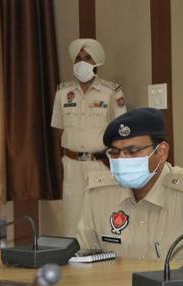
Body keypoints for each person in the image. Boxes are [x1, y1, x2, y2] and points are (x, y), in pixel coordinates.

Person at [76, 107, 183, 261]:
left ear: (161, 151)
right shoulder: (98, 195)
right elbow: (84, 262)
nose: (122, 159)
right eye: (115, 152)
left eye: (133, 150)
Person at [51, 38, 127, 237]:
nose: (81, 62)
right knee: (72, 219)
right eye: (78, 58)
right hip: (72, 164)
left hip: (99, 164)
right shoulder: (62, 93)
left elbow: (120, 130)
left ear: (97, 62)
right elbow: (58, 129)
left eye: (86, 58)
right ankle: (73, 260)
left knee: (101, 215)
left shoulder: (111, 92)